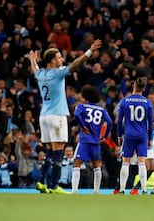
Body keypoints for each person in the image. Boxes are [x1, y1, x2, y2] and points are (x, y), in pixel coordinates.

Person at [28, 38, 102, 194]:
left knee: (49, 151)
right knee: (58, 151)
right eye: (59, 57)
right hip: (57, 116)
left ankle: (42, 183)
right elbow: (75, 65)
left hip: (44, 117)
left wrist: (33, 61)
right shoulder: (58, 73)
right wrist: (89, 51)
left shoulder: (41, 74)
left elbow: (35, 69)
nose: (61, 59)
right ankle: (54, 186)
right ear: (52, 60)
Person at [71, 85, 113, 194]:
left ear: (86, 97)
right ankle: (96, 191)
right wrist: (104, 136)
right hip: (96, 142)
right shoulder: (102, 110)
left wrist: (83, 125)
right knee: (97, 165)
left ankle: (74, 190)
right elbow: (110, 122)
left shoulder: (81, 107)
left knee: (76, 164)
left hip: (84, 141)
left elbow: (76, 115)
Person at [117, 77, 154, 194]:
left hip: (129, 134)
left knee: (125, 162)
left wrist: (119, 136)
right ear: (144, 88)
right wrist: (150, 138)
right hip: (142, 135)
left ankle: (122, 189)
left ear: (133, 86)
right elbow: (151, 123)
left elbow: (119, 121)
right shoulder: (148, 103)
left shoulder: (124, 101)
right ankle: (143, 189)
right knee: (142, 162)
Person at [130, 103, 154, 194]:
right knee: (134, 167)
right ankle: (120, 187)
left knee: (150, 168)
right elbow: (149, 128)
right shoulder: (147, 117)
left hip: (151, 146)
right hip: (142, 143)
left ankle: (136, 187)